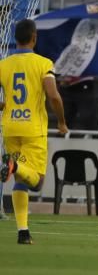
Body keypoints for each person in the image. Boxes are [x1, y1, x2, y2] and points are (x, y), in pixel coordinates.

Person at [0, 19, 69, 245]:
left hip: (10, 126)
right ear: (34, 37)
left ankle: (23, 232)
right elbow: (54, 96)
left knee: (21, 178)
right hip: (33, 128)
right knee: (36, 181)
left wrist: (5, 105)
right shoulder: (43, 63)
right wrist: (61, 122)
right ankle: (14, 166)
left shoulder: (4, 64)